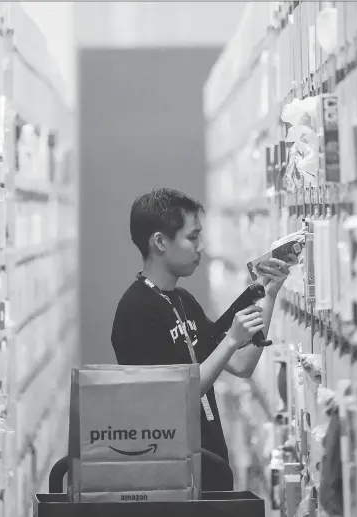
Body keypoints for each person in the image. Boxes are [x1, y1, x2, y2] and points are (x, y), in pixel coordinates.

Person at [111, 188, 295, 491]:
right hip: (170, 482)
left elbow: (241, 364)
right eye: (192, 237)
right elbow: (171, 397)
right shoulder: (135, 311)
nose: (202, 247)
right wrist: (231, 340)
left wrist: (270, 295)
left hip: (209, 471)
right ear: (160, 242)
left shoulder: (183, 300)